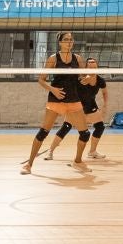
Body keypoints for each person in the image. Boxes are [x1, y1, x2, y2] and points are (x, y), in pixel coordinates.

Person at [22, 32, 87, 174]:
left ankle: (78, 162)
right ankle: (29, 164)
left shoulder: (78, 59)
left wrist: (86, 79)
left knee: (85, 134)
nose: (69, 42)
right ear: (60, 42)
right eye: (66, 39)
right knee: (43, 132)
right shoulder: (53, 58)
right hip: (56, 99)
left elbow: (82, 78)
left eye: (71, 40)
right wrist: (53, 90)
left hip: (73, 99)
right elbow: (41, 79)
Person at [44, 56, 107, 169]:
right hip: (76, 106)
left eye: (94, 67)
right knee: (66, 127)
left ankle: (92, 151)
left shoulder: (100, 80)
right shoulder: (80, 79)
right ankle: (50, 151)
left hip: (90, 106)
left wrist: (105, 106)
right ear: (85, 68)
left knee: (100, 126)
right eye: (90, 67)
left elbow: (105, 93)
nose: (92, 69)